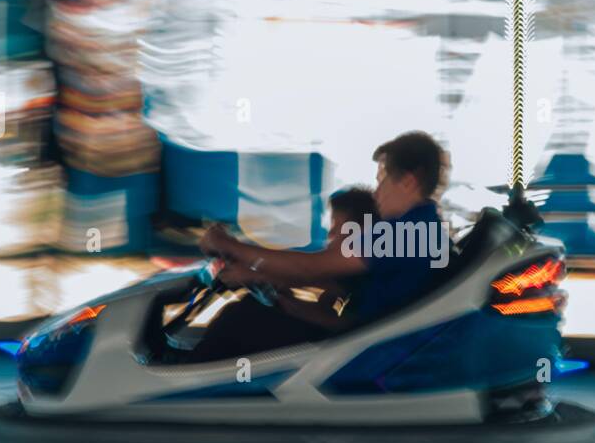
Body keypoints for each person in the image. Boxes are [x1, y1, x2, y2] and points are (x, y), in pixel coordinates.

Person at [192, 131, 449, 362]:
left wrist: (230, 245)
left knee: (241, 318)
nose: (377, 193)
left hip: (365, 354)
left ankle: (187, 386)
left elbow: (311, 268)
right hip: (366, 341)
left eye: (382, 181)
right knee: (254, 312)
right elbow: (329, 281)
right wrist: (266, 279)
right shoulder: (423, 228)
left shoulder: (407, 232)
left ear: (408, 182)